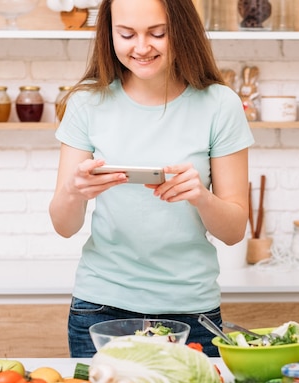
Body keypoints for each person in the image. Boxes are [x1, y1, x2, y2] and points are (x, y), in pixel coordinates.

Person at [49, 0, 254, 357]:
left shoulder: (220, 105)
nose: (141, 47)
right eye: (126, 34)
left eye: (157, 34)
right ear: (109, 34)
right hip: (100, 309)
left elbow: (234, 231)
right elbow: (64, 226)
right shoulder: (86, 103)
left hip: (192, 311)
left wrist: (201, 197)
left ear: (182, 31)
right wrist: (74, 190)